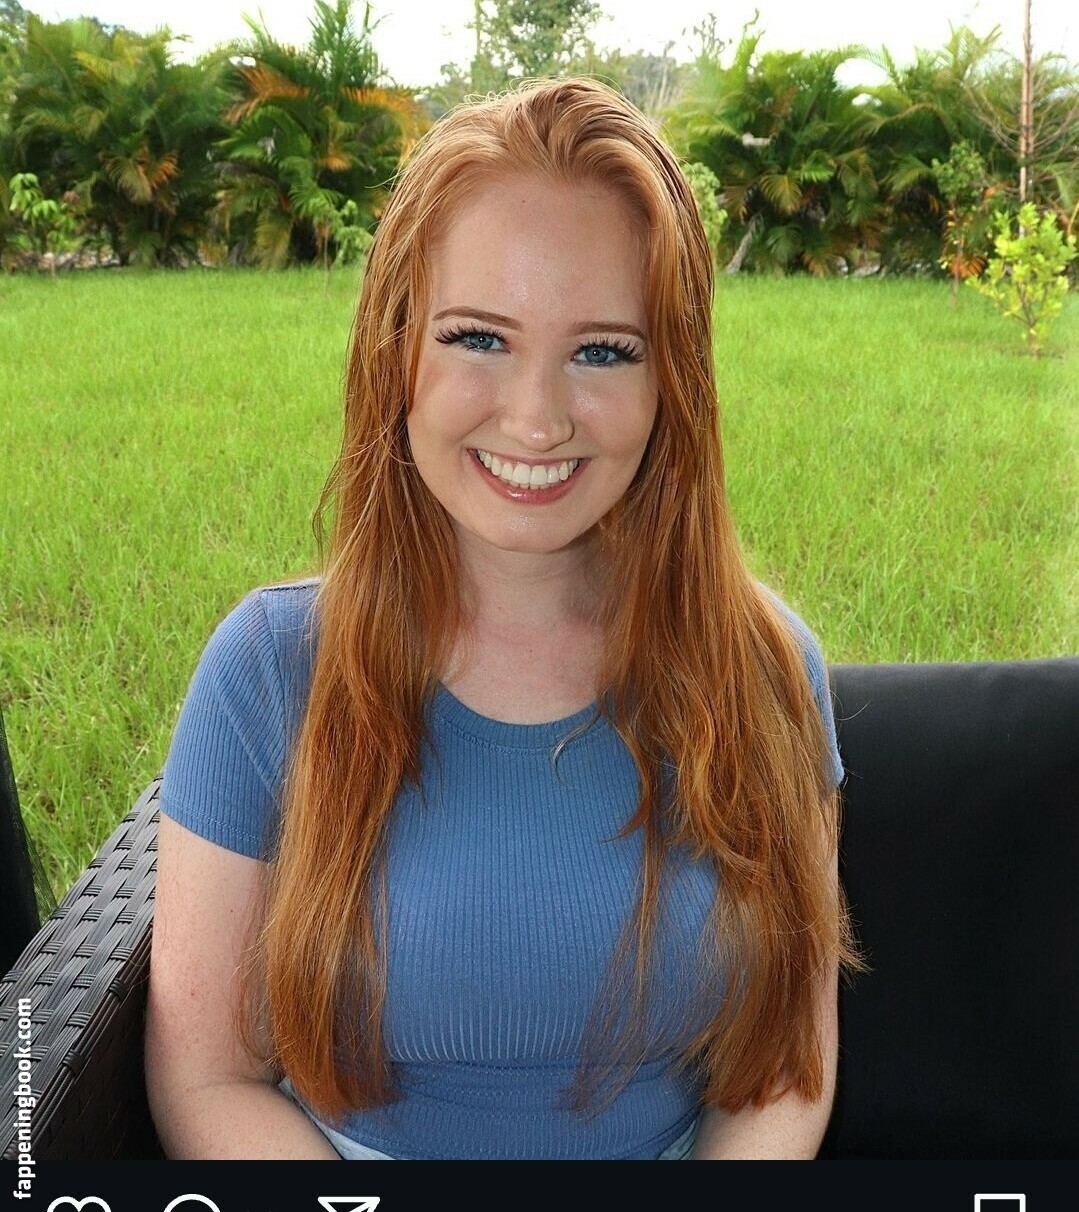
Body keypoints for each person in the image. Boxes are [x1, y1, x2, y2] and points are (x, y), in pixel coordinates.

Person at [144, 76, 863, 1161]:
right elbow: (206, 1076)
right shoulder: (269, 670)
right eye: (478, 337)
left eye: (602, 350)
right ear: (397, 350)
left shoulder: (764, 667)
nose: (534, 419)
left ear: (672, 382)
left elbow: (781, 1077)